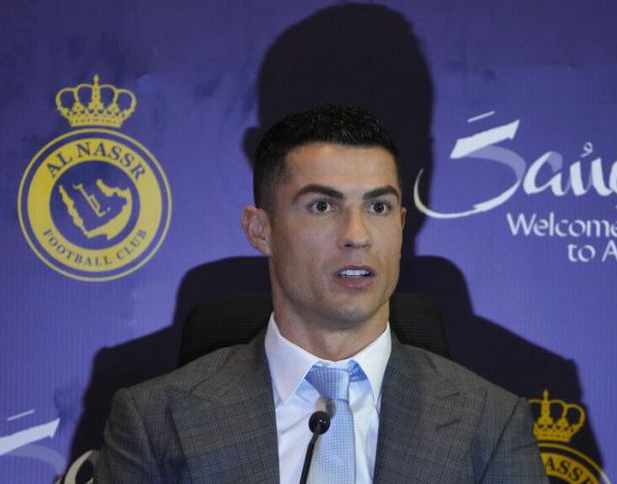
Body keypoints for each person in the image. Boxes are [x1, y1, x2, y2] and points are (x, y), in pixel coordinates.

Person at [93, 105, 547, 483]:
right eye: (323, 206)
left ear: (401, 225)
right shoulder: (155, 420)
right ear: (260, 230)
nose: (357, 235)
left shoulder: (490, 423)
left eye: (378, 207)